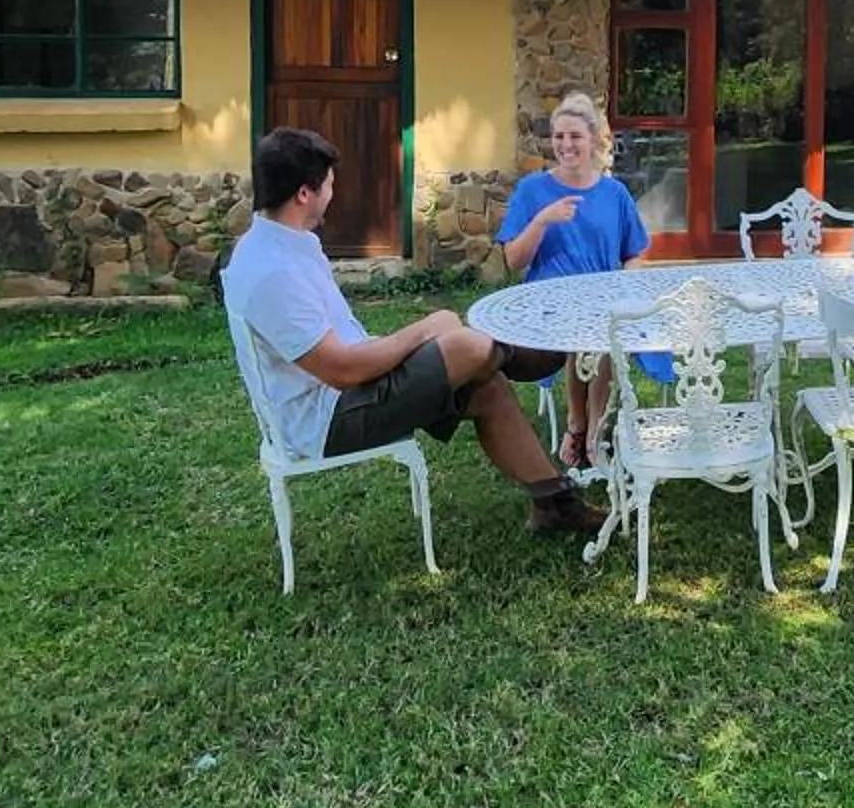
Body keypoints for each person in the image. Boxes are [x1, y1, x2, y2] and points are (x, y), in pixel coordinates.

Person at [226, 127, 605, 535]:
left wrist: (424, 336)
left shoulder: (286, 243)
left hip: (350, 389)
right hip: (327, 419)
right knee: (464, 346)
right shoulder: (271, 273)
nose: (333, 194)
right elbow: (342, 370)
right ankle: (525, 353)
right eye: (330, 185)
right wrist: (424, 331)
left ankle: (556, 505)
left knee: (485, 385)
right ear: (304, 194)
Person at [498, 92, 658, 468]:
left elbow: (635, 253)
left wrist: (626, 283)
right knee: (584, 324)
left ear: (594, 140)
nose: (566, 145)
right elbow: (513, 260)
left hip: (603, 297)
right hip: (548, 302)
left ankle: (593, 428)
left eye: (575, 136)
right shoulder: (532, 190)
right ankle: (579, 423)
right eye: (559, 136)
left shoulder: (614, 193)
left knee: (603, 323)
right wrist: (542, 220)